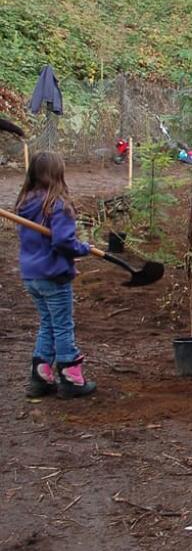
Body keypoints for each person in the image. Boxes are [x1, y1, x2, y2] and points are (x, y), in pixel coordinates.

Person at [16, 152, 96, 398]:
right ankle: (70, 377)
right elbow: (63, 241)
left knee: (47, 324)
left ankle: (40, 377)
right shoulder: (58, 205)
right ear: (57, 175)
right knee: (62, 325)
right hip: (52, 276)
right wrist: (82, 248)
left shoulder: (25, 203)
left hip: (32, 276)